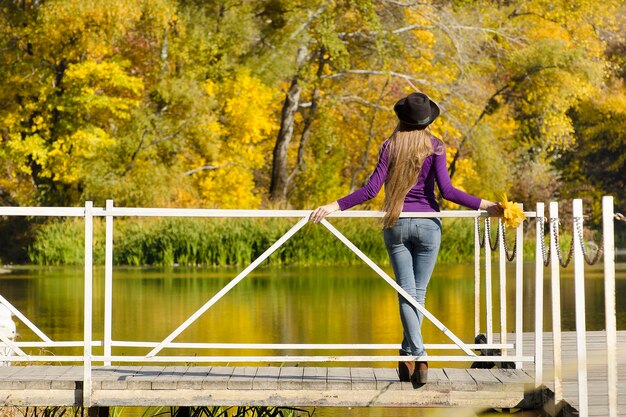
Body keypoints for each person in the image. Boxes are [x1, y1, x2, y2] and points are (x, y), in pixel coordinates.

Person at [310, 92, 502, 384]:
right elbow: (448, 192)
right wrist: (487, 204)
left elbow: (371, 191)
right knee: (417, 295)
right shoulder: (435, 146)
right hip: (428, 227)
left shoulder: (389, 146)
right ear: (427, 121)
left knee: (406, 293)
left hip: (396, 225)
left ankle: (409, 354)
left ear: (401, 118)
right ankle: (419, 357)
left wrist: (333, 205)